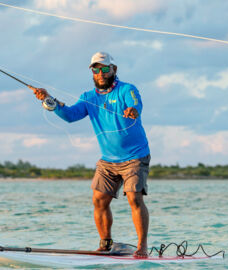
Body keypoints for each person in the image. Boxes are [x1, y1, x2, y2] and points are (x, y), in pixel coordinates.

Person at [29, 52, 151, 258]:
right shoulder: (88, 97)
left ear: (114, 69)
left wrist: (133, 110)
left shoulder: (126, 89)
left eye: (105, 68)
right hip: (108, 160)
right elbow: (70, 115)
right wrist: (49, 100)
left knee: (134, 198)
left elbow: (136, 102)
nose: (101, 73)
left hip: (135, 156)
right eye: (96, 69)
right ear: (92, 72)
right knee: (99, 200)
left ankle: (142, 247)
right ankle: (105, 244)